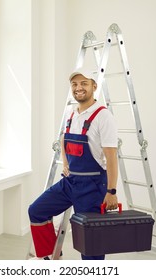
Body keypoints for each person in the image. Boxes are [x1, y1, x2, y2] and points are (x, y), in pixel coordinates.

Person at [28, 67, 119, 260]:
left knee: (90, 241)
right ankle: (51, 255)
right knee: (36, 211)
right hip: (70, 182)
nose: (78, 88)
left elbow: (111, 156)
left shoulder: (103, 116)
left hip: (93, 186)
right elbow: (63, 138)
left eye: (84, 83)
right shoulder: (71, 112)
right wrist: (66, 162)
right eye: (74, 84)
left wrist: (111, 192)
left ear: (94, 86)